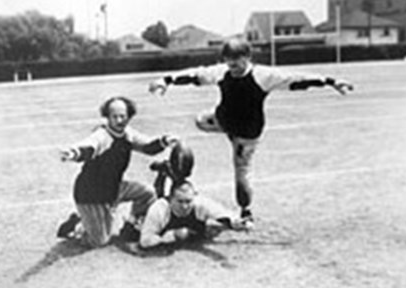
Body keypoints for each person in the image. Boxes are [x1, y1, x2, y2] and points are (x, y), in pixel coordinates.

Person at [149, 38, 353, 224]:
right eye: (228, 64)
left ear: (247, 58)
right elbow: (195, 75)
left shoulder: (264, 76)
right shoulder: (223, 71)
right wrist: (166, 80)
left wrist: (331, 82)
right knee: (200, 120)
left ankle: (246, 211)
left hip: (246, 133)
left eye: (236, 64)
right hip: (223, 121)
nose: (232, 68)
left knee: (241, 174)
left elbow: (297, 79)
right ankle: (224, 131)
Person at [58, 96, 177, 248]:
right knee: (99, 241)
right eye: (114, 116)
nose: (119, 120)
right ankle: (77, 224)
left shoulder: (128, 134)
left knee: (148, 193)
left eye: (123, 116)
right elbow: (89, 147)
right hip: (91, 194)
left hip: (115, 188)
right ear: (107, 117)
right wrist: (73, 153)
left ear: (129, 116)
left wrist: (165, 141)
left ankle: (132, 224)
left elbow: (147, 146)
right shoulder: (103, 136)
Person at [138, 179, 250, 249]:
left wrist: (236, 223)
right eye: (180, 201)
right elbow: (145, 241)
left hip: (191, 229)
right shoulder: (159, 209)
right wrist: (168, 237)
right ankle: (161, 176)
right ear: (171, 198)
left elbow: (222, 214)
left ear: (194, 197)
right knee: (134, 233)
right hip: (160, 229)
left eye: (188, 201)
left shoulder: (200, 203)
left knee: (213, 230)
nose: (184, 206)